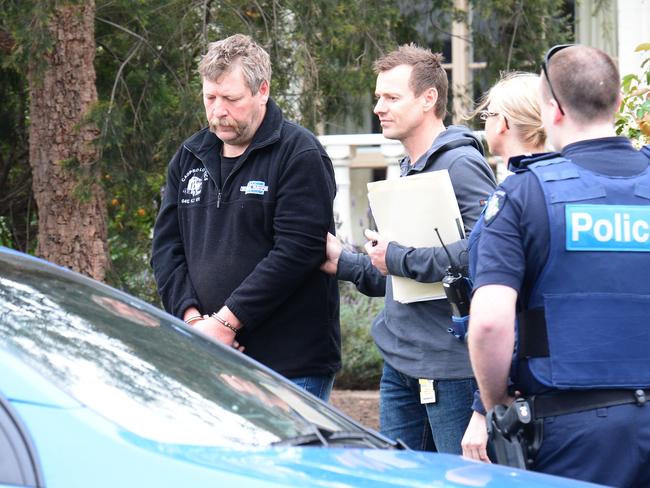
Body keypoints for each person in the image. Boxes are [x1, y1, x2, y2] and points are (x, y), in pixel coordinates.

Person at [468, 44, 650, 486]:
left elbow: (490, 323)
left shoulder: (524, 194)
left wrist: (493, 406)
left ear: (552, 110)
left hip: (569, 432)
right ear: (619, 103)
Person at [321, 43, 496, 453]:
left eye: (392, 97)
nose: (379, 107)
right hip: (400, 364)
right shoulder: (405, 168)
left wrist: (398, 256)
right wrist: (343, 262)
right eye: (378, 97)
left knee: (460, 481)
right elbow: (399, 276)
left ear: (428, 99)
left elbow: (486, 251)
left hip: (450, 370)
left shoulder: (461, 165)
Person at [151, 34, 340, 401]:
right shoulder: (190, 155)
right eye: (210, 98)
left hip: (289, 366)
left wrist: (226, 322)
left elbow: (298, 251)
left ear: (262, 91)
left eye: (231, 99)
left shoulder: (298, 154)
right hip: (209, 355)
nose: (218, 111)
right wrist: (195, 323)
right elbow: (166, 248)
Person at [460, 72, 547, 463]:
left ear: (506, 123)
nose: (487, 124)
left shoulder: (514, 199)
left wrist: (485, 408)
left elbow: (500, 318)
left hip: (520, 395)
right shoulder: (553, 191)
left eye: (489, 115)